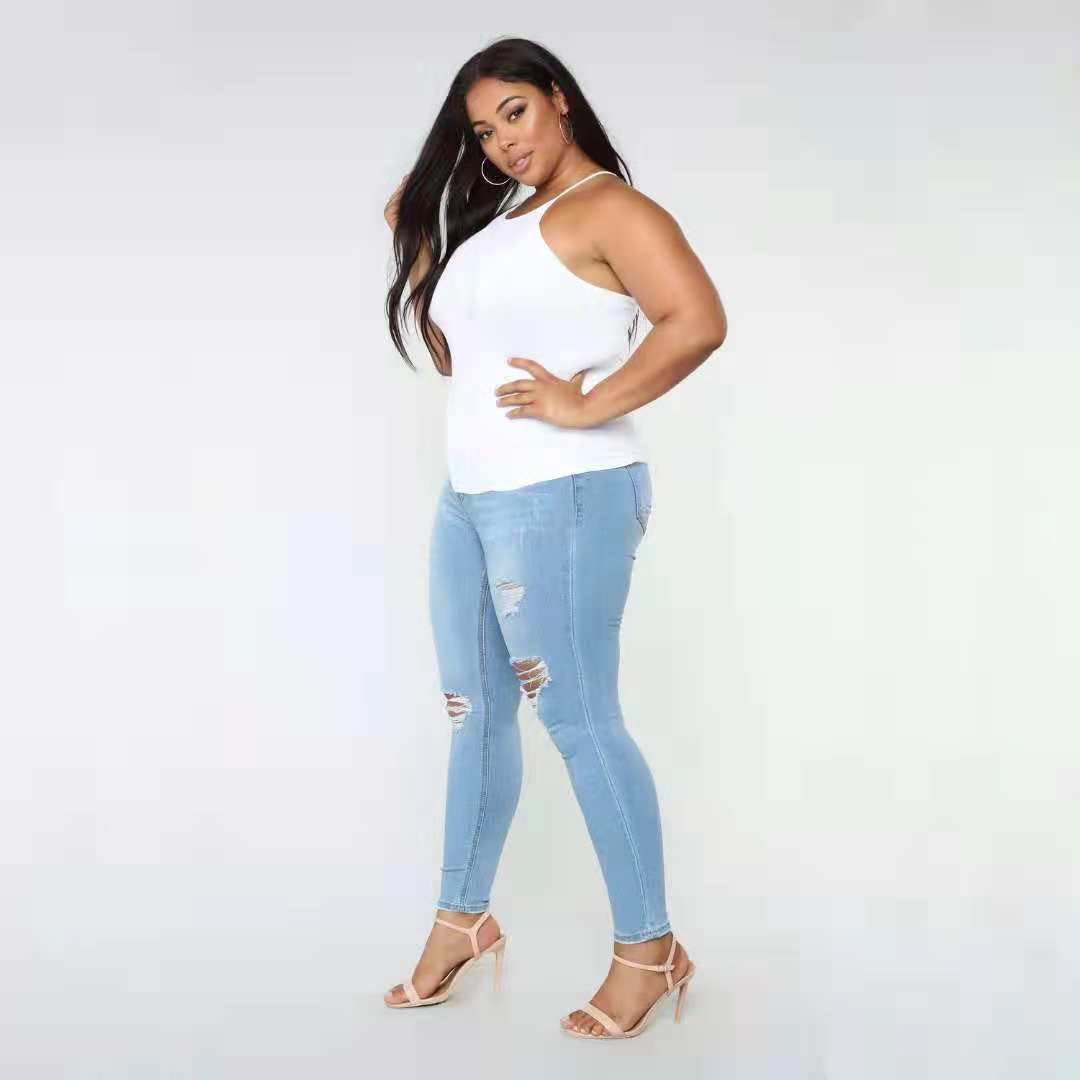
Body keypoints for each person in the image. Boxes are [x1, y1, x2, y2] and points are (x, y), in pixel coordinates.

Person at [382, 36, 727, 1040]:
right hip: (471, 497)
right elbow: (462, 359)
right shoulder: (503, 224)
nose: (503, 141)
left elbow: (696, 320)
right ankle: (462, 919)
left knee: (578, 720)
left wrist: (588, 405)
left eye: (516, 113)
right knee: (475, 713)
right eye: (484, 130)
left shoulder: (610, 208)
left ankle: (649, 949)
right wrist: (417, 240)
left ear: (559, 100)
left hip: (564, 496)